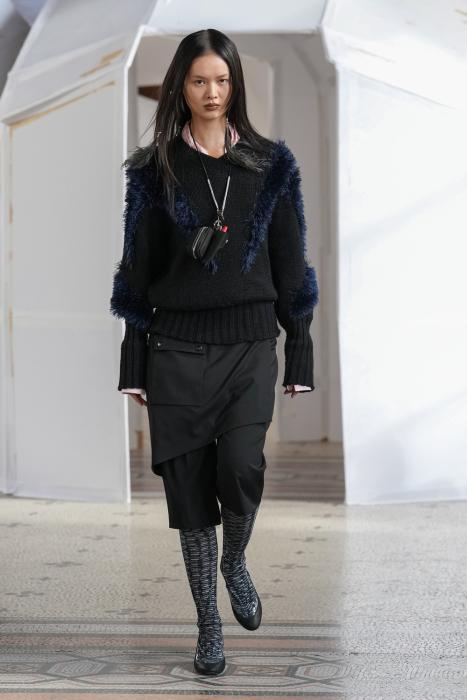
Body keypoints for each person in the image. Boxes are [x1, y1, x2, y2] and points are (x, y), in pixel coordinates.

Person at [110, 28, 319, 676]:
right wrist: (133, 361)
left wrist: (300, 344)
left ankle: (235, 560)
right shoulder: (154, 170)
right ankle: (208, 625)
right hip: (174, 348)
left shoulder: (269, 165)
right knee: (191, 494)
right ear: (181, 86)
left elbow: (291, 263)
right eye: (199, 80)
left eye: (222, 80)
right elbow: (138, 271)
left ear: (235, 86)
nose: (211, 92)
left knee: (241, 467)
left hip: (249, 344)